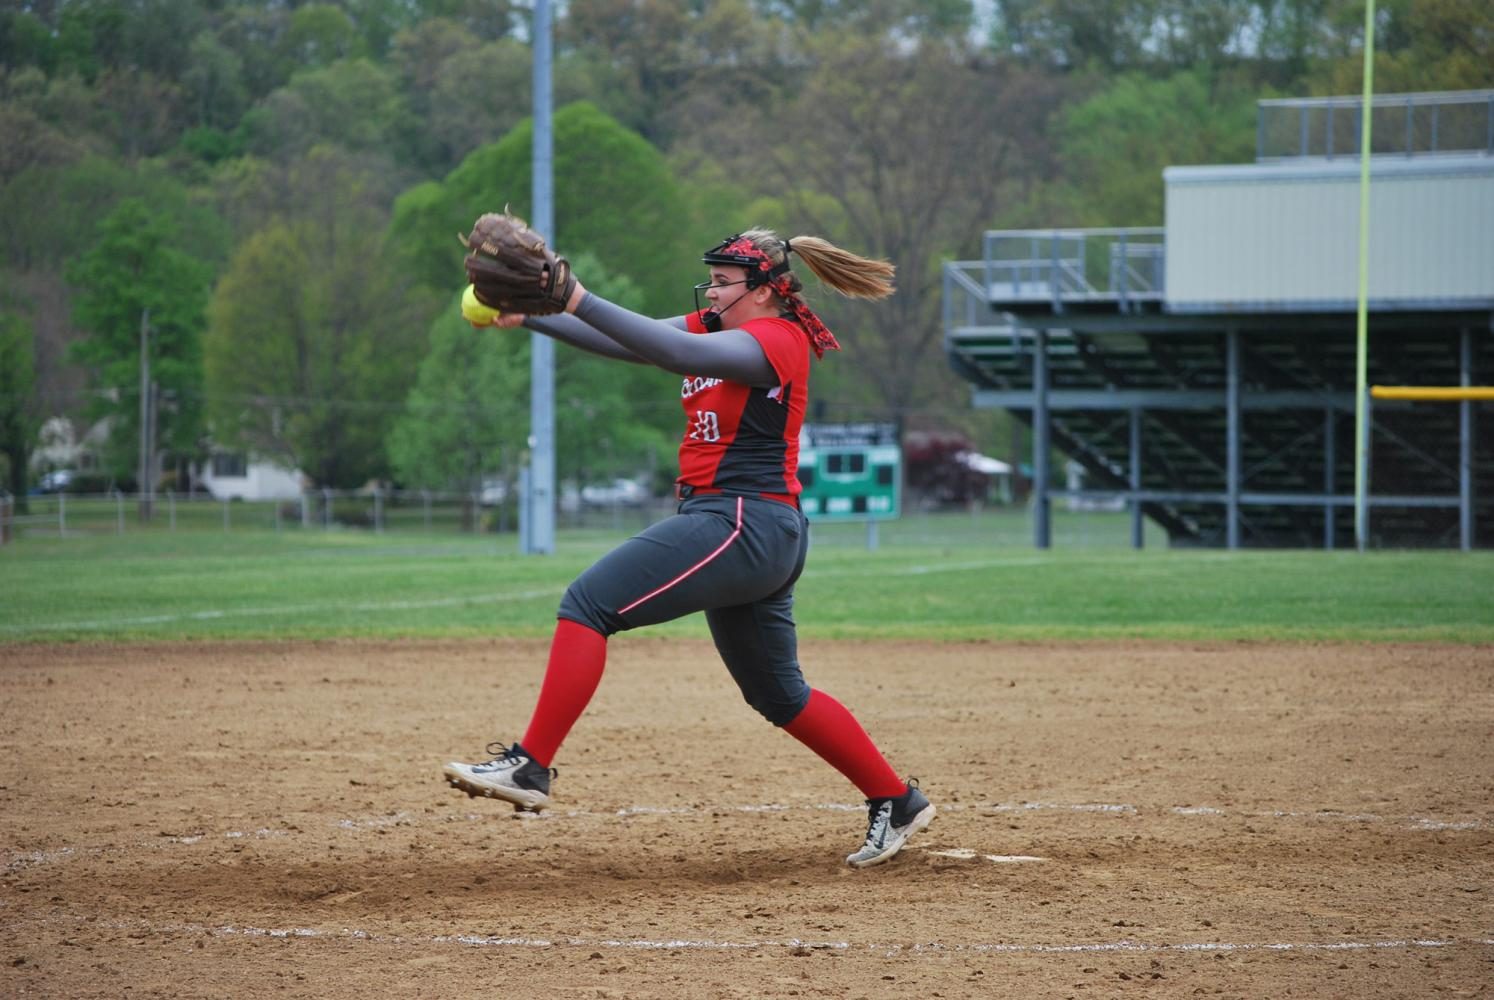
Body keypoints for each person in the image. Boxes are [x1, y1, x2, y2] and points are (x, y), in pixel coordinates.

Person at [442, 229, 935, 868]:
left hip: (741, 519)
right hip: (750, 526)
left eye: (725, 281)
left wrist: (575, 294)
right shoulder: (720, 324)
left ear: (763, 291)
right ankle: (896, 800)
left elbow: (672, 351)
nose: (713, 290)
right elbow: (633, 339)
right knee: (779, 695)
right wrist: (535, 316)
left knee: (589, 603)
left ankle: (530, 766)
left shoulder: (777, 340)